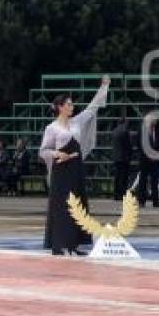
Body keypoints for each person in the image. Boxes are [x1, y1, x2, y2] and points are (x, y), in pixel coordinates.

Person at [38, 76, 110, 255]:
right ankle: (59, 244)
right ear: (60, 107)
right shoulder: (51, 128)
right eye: (68, 104)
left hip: (76, 169)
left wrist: (104, 87)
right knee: (61, 206)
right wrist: (57, 153)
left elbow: (92, 108)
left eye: (72, 104)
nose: (72, 107)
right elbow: (43, 151)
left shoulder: (76, 122)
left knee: (78, 204)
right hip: (61, 171)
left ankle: (74, 244)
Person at [138, 118, 159, 207]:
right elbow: (140, 145)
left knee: (155, 180)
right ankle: (141, 201)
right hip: (145, 160)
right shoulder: (143, 131)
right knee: (143, 180)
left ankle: (155, 201)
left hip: (155, 160)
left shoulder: (158, 132)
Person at [111, 112, 132, 201]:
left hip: (116, 157)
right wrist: (130, 154)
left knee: (117, 176)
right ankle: (122, 194)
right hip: (124, 157)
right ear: (124, 122)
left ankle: (116, 195)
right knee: (123, 177)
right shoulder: (125, 131)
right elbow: (128, 145)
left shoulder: (114, 131)